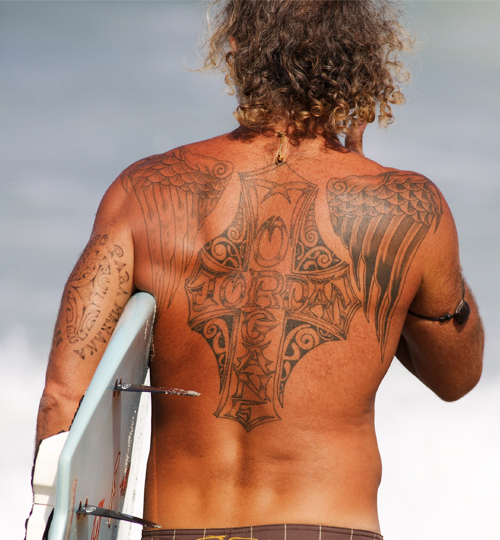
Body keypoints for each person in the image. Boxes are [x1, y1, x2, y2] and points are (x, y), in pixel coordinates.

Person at [35, 1, 484, 539]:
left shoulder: (143, 192)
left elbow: (63, 399)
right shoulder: (408, 208)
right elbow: (457, 377)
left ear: (235, 49)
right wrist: (394, 282)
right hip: (324, 528)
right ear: (360, 55)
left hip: (177, 528)